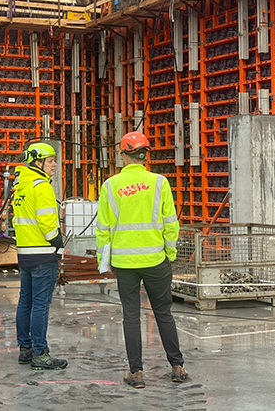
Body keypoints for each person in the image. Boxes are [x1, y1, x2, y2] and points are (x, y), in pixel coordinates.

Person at [96, 131, 186, 389]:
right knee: (164, 313)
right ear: (144, 156)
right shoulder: (160, 183)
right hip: (156, 260)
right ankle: (177, 366)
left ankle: (136, 373)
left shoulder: (110, 186)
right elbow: (171, 224)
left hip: (125, 264)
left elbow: (103, 228)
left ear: (124, 155)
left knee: (131, 316)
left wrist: (106, 261)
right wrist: (169, 253)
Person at [13, 141, 67, 371]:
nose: (55, 164)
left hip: (25, 252)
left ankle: (25, 349)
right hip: (44, 254)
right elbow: (46, 221)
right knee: (41, 305)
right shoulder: (42, 186)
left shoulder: (22, 185)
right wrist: (57, 240)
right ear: (38, 162)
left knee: (25, 301)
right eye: (51, 160)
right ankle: (40, 353)